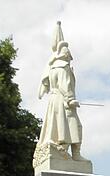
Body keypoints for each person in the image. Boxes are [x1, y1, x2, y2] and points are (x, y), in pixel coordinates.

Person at [34, 22, 87, 167]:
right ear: (66, 54)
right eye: (69, 53)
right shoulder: (63, 67)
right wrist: (71, 100)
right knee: (74, 125)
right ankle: (73, 154)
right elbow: (65, 85)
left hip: (54, 100)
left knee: (57, 126)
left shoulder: (52, 68)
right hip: (63, 101)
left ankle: (64, 151)